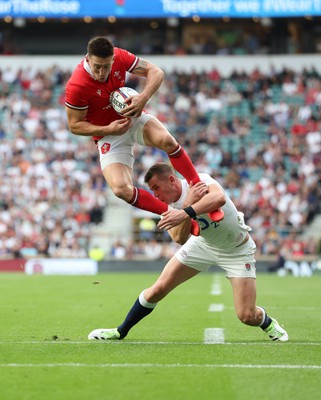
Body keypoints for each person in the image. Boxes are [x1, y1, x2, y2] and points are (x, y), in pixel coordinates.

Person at [88, 163, 289, 342]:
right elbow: (179, 238)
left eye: (157, 188)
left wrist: (185, 211)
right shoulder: (170, 206)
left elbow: (218, 198)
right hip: (202, 245)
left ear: (172, 180)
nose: (156, 195)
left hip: (236, 250)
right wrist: (185, 208)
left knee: (246, 315)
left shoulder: (199, 180)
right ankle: (120, 331)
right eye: (152, 191)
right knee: (158, 289)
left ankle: (269, 323)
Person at [65, 36, 223, 236]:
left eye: (106, 66)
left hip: (132, 116)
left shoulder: (121, 56)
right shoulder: (77, 85)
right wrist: (109, 129)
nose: (101, 72)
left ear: (113, 59)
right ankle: (174, 214)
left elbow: (156, 72)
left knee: (168, 141)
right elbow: (74, 125)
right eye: (97, 67)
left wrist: (143, 98)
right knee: (121, 189)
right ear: (88, 59)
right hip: (109, 134)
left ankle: (204, 194)